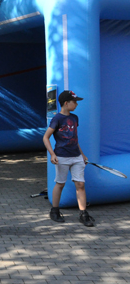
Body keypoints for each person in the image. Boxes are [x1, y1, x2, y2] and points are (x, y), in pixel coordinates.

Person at [43, 90, 94, 227]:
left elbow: (74, 138)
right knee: (60, 184)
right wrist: (52, 154)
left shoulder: (75, 118)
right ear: (66, 103)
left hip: (76, 156)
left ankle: (83, 213)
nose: (76, 104)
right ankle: (54, 211)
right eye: (75, 102)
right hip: (62, 157)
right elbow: (45, 137)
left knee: (80, 184)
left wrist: (82, 155)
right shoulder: (57, 119)